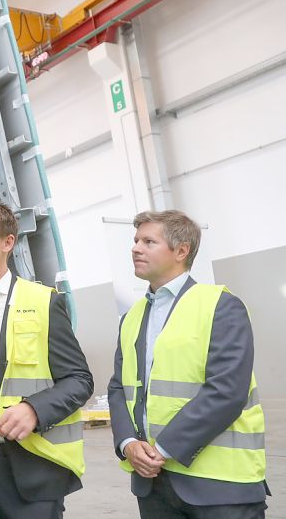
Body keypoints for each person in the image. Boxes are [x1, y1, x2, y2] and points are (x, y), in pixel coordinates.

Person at [107, 210, 268, 518]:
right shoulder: (131, 317)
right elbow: (118, 387)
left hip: (220, 487)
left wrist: (162, 449)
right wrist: (128, 443)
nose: (136, 248)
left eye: (149, 241)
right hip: (153, 485)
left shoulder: (221, 306)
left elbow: (226, 390)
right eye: (136, 240)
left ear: (181, 251)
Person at [0, 199, 92, 519]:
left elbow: (80, 380)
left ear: (8, 242)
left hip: (30, 471)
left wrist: (34, 409)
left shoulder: (42, 302)